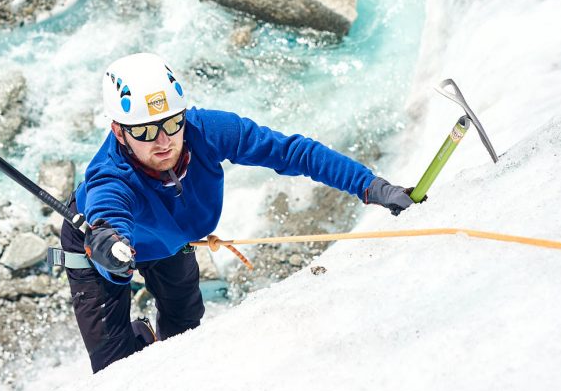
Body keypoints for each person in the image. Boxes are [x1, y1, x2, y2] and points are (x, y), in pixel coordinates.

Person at [58, 52, 415, 373]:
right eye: (146, 132)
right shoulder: (109, 176)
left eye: (171, 123)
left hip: (169, 232)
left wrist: (370, 186)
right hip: (101, 240)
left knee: (184, 325)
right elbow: (109, 209)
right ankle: (137, 338)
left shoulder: (208, 131)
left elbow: (293, 153)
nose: (164, 141)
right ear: (119, 132)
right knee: (115, 373)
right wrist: (108, 244)